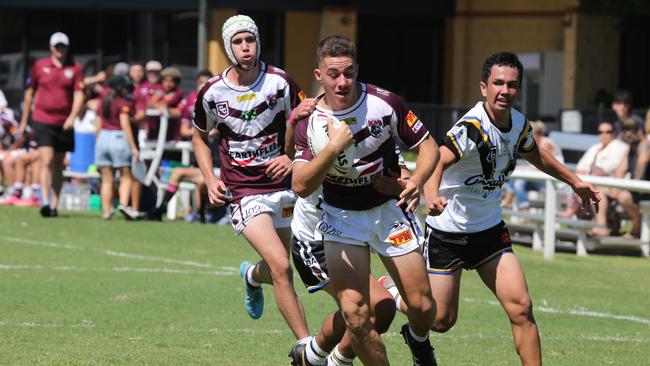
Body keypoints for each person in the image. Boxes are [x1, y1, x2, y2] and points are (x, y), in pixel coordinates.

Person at [382, 52, 601, 366]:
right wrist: (431, 195)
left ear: (519, 89)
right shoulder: (471, 128)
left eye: (512, 85)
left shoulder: (518, 124)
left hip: (490, 234)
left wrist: (574, 181)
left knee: (522, 308)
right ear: (483, 87)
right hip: (448, 235)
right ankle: (393, 292)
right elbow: (437, 161)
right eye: (498, 83)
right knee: (441, 320)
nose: (505, 90)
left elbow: (537, 155)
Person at [291, 35, 439, 365]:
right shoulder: (310, 121)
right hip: (341, 219)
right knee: (356, 315)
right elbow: (300, 185)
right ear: (318, 75)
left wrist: (415, 181)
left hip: (388, 213)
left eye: (348, 73)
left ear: (357, 70)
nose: (341, 82)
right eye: (333, 74)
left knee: (424, 305)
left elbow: (428, 146)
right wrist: (332, 148)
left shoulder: (384, 104)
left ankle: (418, 339)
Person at [192, 14, 310, 345]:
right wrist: (209, 176)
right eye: (238, 42)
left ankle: (250, 275)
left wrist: (291, 157)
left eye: (250, 40)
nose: (246, 47)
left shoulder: (281, 82)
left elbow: (305, 123)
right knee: (282, 269)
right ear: (229, 48)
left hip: (283, 188)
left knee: (277, 267)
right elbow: (199, 137)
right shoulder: (213, 92)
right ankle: (306, 346)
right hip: (243, 191)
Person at [17, 32, 85, 217]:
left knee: (58, 162)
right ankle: (45, 200)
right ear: (51, 47)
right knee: (45, 159)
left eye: (63, 46)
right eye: (57, 46)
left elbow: (79, 93)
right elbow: (29, 93)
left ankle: (55, 203)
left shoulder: (75, 68)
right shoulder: (40, 66)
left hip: (64, 123)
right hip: (43, 119)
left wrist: (72, 116)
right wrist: (24, 122)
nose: (60, 50)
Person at [146, 69, 215, 222]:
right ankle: (160, 210)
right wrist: (202, 132)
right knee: (177, 173)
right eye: (200, 83)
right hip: (199, 158)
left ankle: (202, 214)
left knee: (204, 181)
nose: (202, 85)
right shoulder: (191, 100)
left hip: (220, 162)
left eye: (206, 82)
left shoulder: (220, 99)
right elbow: (184, 129)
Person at [563, 121, 629, 235]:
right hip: (591, 181)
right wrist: (590, 172)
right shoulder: (595, 147)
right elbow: (580, 166)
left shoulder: (620, 147)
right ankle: (575, 216)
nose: (604, 134)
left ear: (613, 133)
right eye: (600, 132)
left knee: (596, 190)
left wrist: (588, 172)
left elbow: (607, 168)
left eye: (608, 131)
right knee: (580, 185)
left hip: (612, 185)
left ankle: (598, 225)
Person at [94, 75, 139, 220]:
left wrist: (99, 141)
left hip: (102, 138)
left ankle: (106, 212)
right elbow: (125, 124)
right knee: (126, 175)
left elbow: (97, 125)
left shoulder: (102, 102)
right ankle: (123, 203)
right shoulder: (123, 103)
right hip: (118, 138)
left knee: (107, 179)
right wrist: (133, 147)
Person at [503, 120, 564, 210]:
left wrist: (521, 168)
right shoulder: (540, 143)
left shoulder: (546, 144)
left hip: (553, 180)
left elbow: (539, 166)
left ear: (537, 134)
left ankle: (518, 207)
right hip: (543, 177)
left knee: (519, 182)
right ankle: (516, 206)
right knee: (518, 180)